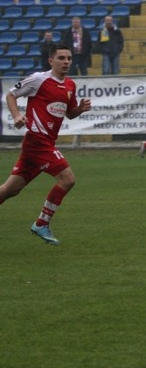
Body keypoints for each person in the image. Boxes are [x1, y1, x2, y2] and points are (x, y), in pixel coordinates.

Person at [0, 44, 93, 245]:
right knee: (67, 179)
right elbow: (11, 95)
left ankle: (41, 224)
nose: (66, 61)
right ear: (51, 60)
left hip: (43, 143)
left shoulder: (70, 85)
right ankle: (41, 223)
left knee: (9, 190)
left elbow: (69, 113)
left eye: (69, 58)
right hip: (37, 141)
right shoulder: (39, 79)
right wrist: (17, 115)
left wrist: (80, 109)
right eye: (61, 58)